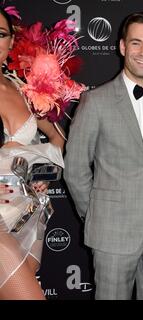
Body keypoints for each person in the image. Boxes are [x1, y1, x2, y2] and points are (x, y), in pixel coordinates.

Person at [64, 12, 143, 300]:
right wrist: (94, 214)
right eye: (136, 43)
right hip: (111, 229)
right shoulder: (96, 101)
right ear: (122, 46)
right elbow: (76, 168)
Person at [0, 7, 64, 299]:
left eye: (0, 34)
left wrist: (44, 171)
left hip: (25, 215)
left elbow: (56, 138)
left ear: (12, 41)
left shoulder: (22, 89)